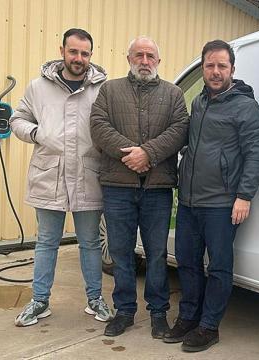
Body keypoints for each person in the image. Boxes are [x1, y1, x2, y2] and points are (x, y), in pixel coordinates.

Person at [163, 40, 259, 352]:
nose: (215, 71)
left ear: (232, 70)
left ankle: (209, 326)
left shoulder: (245, 107)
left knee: (219, 267)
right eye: (210, 65)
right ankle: (188, 318)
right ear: (204, 68)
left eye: (222, 66)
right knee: (187, 262)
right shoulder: (198, 103)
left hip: (222, 203)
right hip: (190, 201)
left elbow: (255, 154)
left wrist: (244, 196)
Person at [9, 28, 112, 327]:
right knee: (46, 242)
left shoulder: (101, 89)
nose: (78, 58)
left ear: (90, 55)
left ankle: (95, 299)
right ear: (62, 50)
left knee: (90, 242)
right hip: (49, 174)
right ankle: (40, 301)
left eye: (84, 53)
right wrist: (38, 133)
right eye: (73, 51)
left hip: (87, 176)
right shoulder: (38, 87)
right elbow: (17, 119)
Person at [90, 36, 189, 338]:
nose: (144, 61)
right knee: (121, 252)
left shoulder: (173, 95)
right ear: (129, 58)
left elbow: (180, 129)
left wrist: (149, 154)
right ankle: (124, 311)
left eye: (150, 56)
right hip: (118, 186)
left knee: (157, 253)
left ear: (158, 61)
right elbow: (98, 126)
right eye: (139, 55)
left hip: (158, 189)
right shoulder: (109, 90)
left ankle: (159, 313)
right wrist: (132, 153)